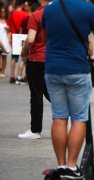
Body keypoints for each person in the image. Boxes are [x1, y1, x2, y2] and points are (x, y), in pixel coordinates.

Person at [42, 0, 94, 178]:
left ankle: (61, 165)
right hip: (77, 69)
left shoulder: (49, 9)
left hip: (53, 69)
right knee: (79, 118)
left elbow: (44, 39)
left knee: (58, 117)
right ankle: (72, 167)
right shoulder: (88, 9)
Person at [17, 0, 50, 139]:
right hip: (53, 60)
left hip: (36, 59)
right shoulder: (59, 14)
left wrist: (23, 51)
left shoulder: (36, 15)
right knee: (54, 94)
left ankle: (35, 130)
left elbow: (30, 40)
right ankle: (76, 121)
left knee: (36, 95)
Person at [6, 0, 29, 84]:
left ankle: (12, 76)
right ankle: (24, 76)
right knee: (24, 59)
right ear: (22, 5)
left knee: (14, 58)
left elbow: (8, 26)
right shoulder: (26, 15)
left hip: (15, 38)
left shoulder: (12, 14)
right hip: (24, 39)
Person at [0, 6, 10, 78]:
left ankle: (2, 72)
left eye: (4, 12)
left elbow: (10, 32)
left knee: (4, 57)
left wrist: (8, 30)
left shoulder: (8, 20)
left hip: (5, 40)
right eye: (1, 12)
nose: (2, 13)